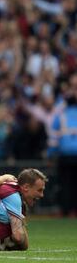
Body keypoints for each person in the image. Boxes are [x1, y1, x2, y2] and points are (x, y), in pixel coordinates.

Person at [48, 73, 77, 217]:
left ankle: (66, 210)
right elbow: (54, 131)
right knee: (70, 184)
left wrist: (50, 152)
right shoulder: (63, 111)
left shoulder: (62, 112)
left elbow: (53, 133)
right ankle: (70, 210)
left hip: (66, 154)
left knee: (66, 184)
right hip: (70, 154)